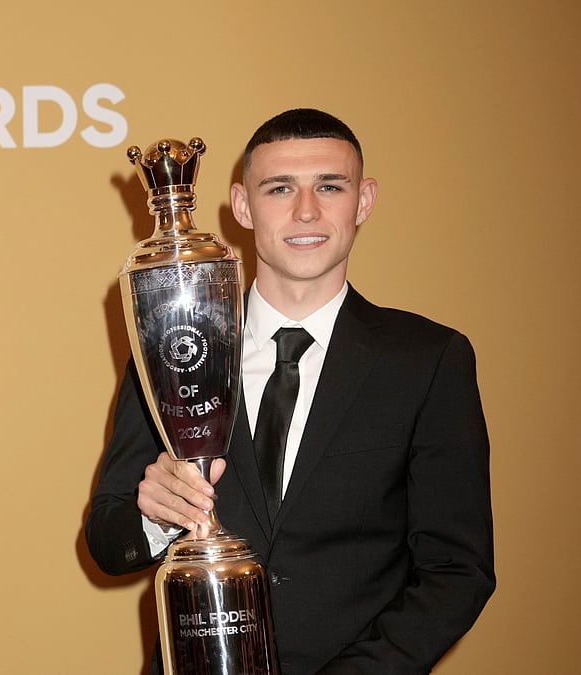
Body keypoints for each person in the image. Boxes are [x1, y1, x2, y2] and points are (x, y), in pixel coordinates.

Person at [85, 108, 495, 674]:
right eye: (279, 188)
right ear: (242, 205)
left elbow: (456, 571)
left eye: (330, 186)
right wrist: (157, 516)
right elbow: (109, 544)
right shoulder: (171, 348)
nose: (306, 210)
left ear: (364, 201)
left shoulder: (427, 360)